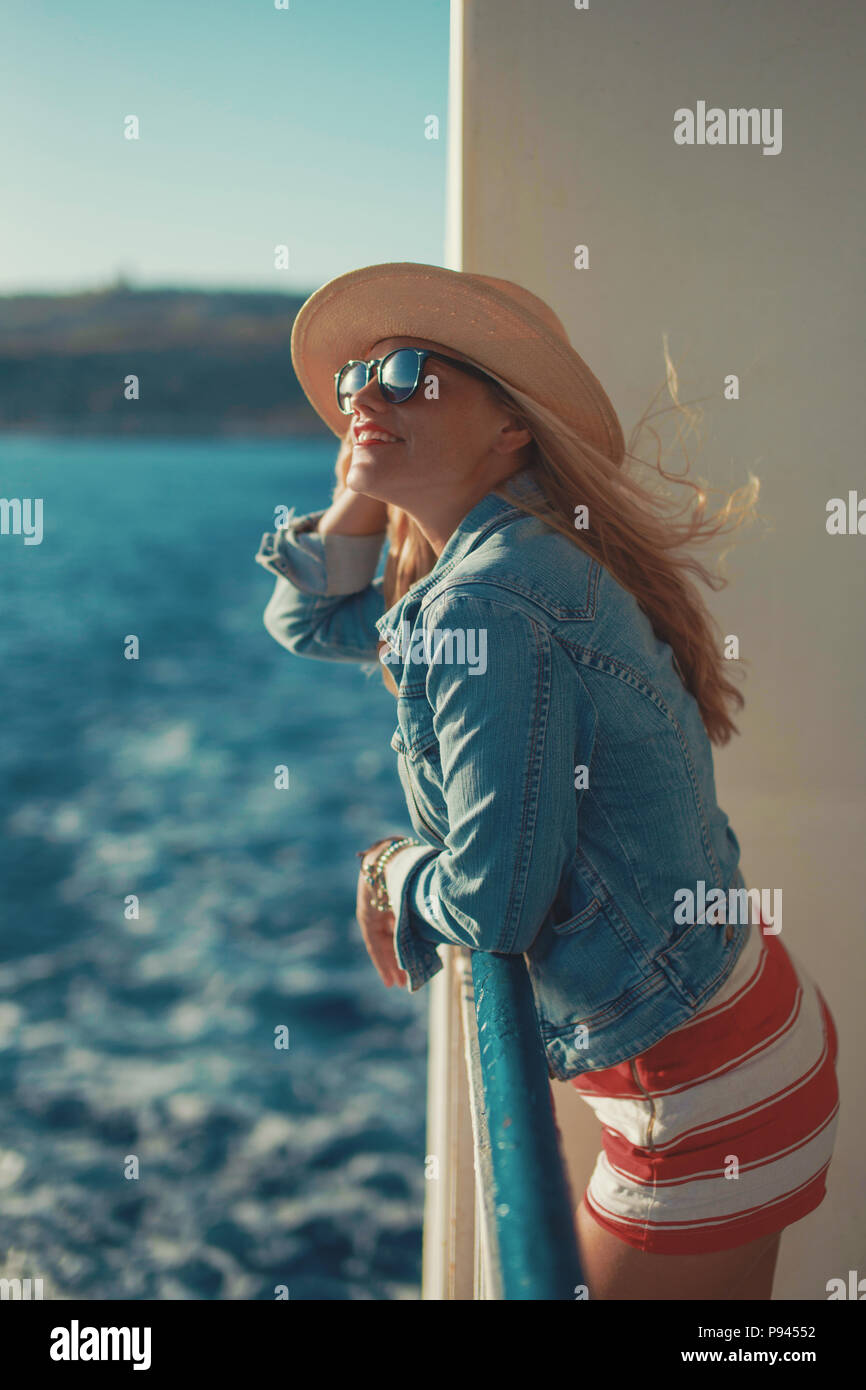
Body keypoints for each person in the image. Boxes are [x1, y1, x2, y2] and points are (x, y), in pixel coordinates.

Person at [254, 262, 840, 1300]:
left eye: (404, 374)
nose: (363, 394)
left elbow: (493, 898)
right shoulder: (503, 559)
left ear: (510, 427)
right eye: (351, 380)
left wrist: (395, 870)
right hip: (739, 1036)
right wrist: (359, 472)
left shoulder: (490, 603)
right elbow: (306, 619)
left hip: (699, 1096)